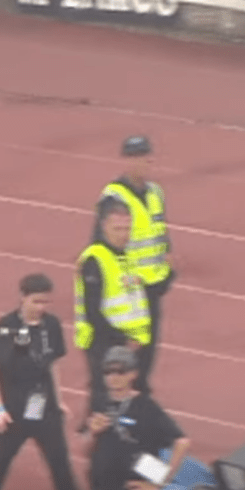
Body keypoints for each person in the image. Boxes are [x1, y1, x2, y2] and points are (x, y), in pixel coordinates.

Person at [0, 273, 81, 490]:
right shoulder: (7, 326)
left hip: (46, 410)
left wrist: (59, 399)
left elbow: (52, 364)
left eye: (45, 302)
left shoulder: (52, 325)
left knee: (62, 469)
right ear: (22, 298)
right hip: (12, 412)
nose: (41, 307)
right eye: (36, 301)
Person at [91, 135, 174, 397]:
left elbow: (159, 232)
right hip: (128, 289)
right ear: (126, 161)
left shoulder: (156, 193)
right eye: (136, 157)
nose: (143, 162)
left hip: (152, 287)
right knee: (121, 356)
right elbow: (101, 244)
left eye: (146, 156)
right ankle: (107, 408)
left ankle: (139, 404)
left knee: (146, 354)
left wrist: (167, 272)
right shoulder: (114, 196)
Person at [75, 198, 152, 425]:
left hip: (126, 341)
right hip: (103, 340)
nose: (124, 234)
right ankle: (98, 439)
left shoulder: (126, 256)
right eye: (118, 228)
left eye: (128, 228)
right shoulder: (95, 260)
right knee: (104, 392)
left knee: (119, 392)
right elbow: (92, 311)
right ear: (104, 226)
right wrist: (121, 340)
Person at [83, 346, 192, 490]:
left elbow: (182, 442)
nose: (114, 376)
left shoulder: (146, 407)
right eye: (108, 371)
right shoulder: (100, 402)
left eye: (120, 371)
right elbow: (88, 448)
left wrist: (159, 483)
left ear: (133, 374)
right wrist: (92, 433)